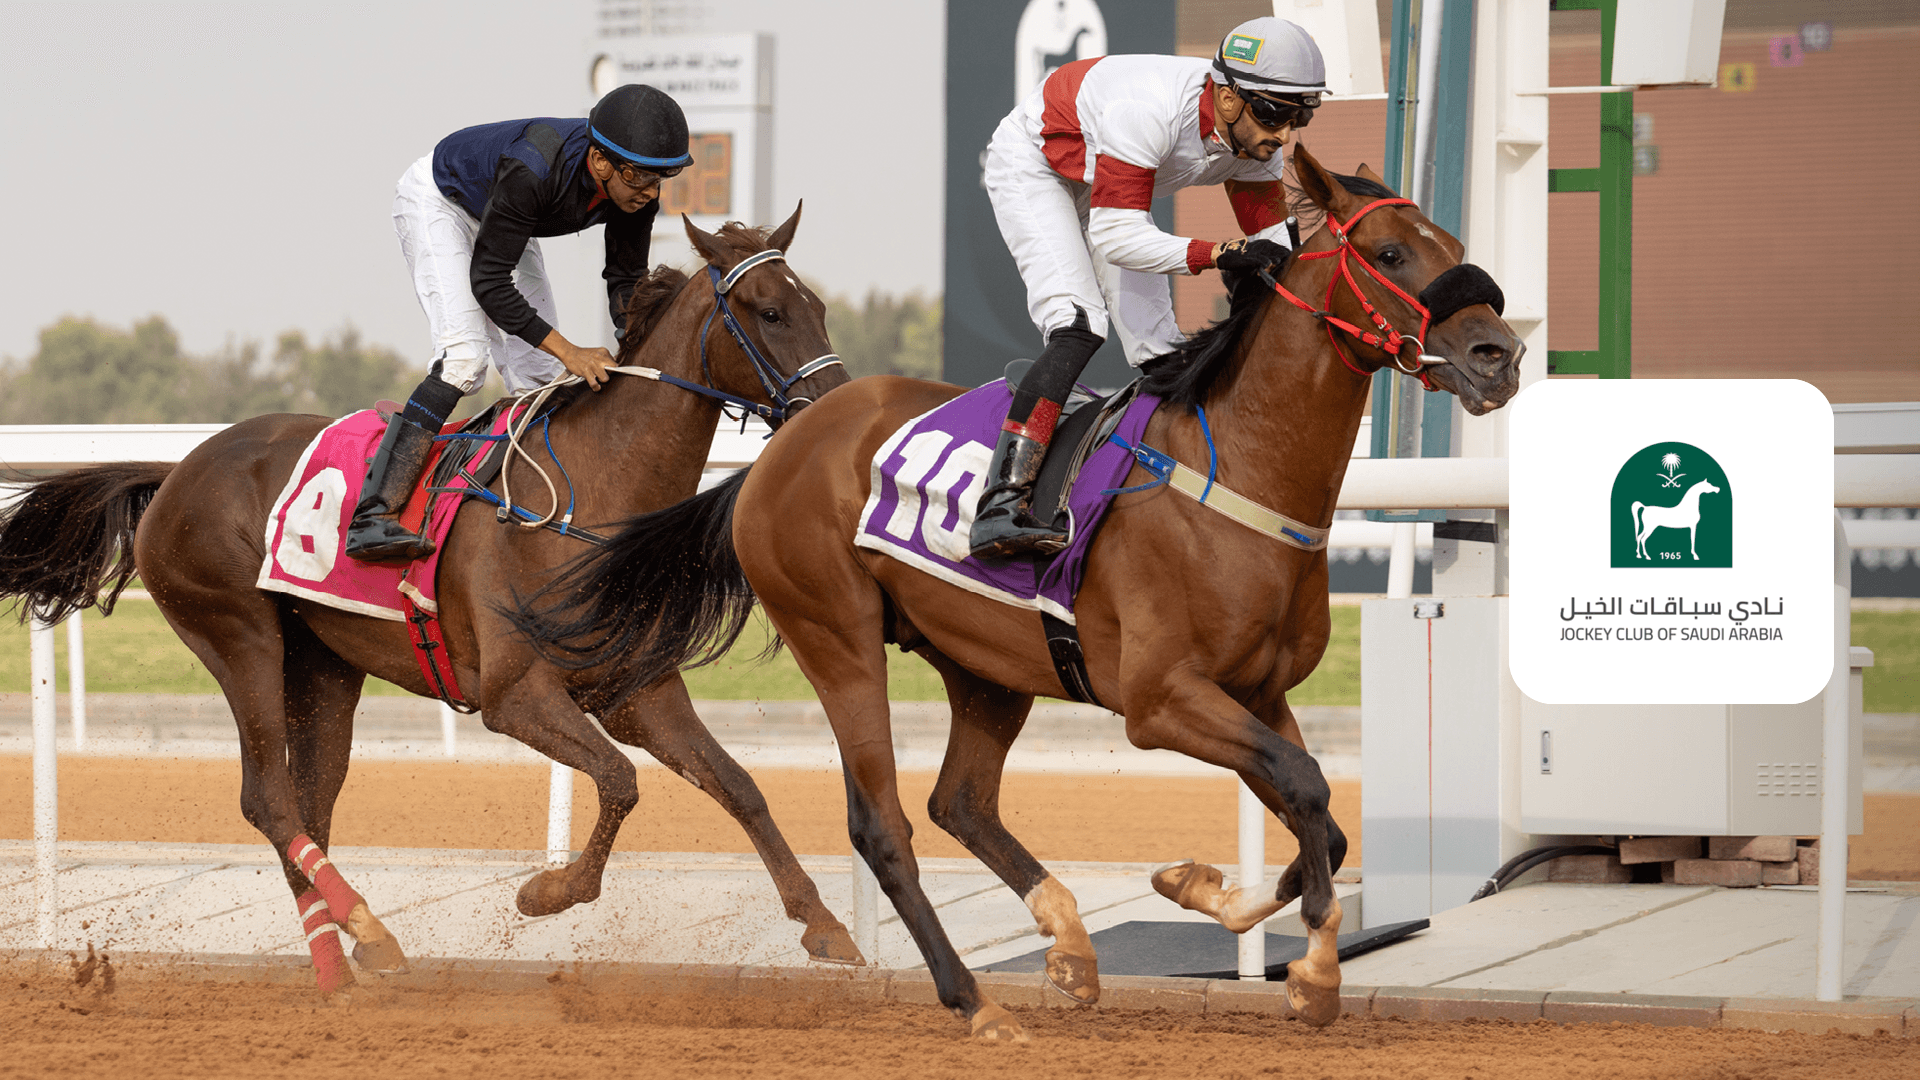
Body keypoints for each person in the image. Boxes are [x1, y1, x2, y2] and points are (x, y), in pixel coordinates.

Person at [970, 16, 1328, 559]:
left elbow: (1275, 251)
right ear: (1227, 97)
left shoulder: (1253, 140)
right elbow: (1118, 239)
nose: (1283, 134)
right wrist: (1220, 253)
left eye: (1299, 116)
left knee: (1162, 353)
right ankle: (1000, 505)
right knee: (1079, 325)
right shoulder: (1147, 110)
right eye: (1273, 113)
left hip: (1109, 183)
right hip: (1038, 168)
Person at [346, 83, 692, 563]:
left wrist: (640, 350)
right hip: (441, 202)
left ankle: (532, 510)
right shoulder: (533, 170)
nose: (651, 192)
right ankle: (372, 516)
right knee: (464, 361)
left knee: (541, 378)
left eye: (661, 179)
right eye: (640, 178)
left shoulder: (635, 189)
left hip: (506, 219)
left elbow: (625, 278)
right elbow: (488, 283)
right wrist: (572, 351)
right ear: (600, 162)